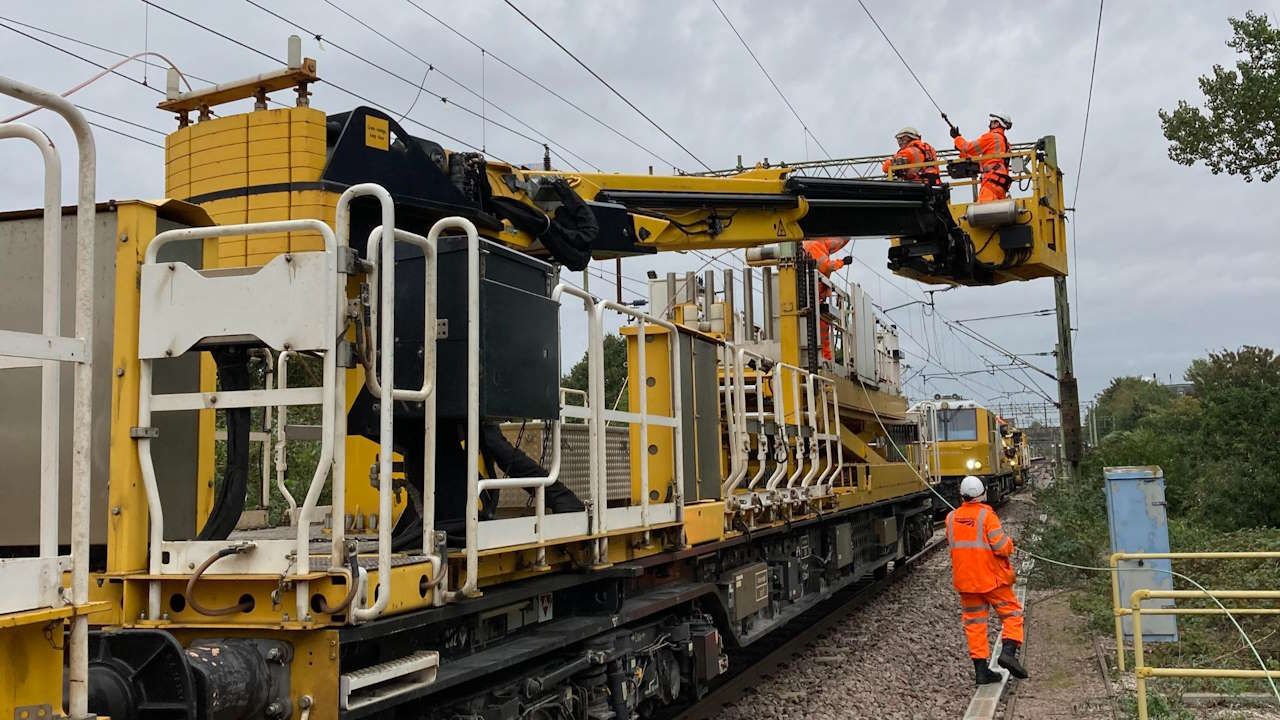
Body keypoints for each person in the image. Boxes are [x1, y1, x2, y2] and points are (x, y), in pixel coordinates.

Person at [945, 475, 1030, 684]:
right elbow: (1001, 546)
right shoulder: (987, 516)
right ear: (982, 493)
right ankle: (1008, 652)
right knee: (1012, 615)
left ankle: (981, 672)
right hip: (992, 580)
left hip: (967, 583)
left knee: (975, 625)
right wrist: (1010, 544)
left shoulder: (951, 518)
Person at [802, 237, 852, 362]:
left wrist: (850, 235)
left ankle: (824, 358)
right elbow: (827, 266)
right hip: (814, 297)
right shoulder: (816, 246)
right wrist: (843, 262)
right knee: (822, 330)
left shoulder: (813, 243)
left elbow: (838, 243)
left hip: (810, 295)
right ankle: (826, 359)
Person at [951, 113, 1013, 203]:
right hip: (1000, 186)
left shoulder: (991, 137)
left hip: (990, 184)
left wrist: (957, 138)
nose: (989, 124)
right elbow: (981, 162)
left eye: (992, 122)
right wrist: (962, 152)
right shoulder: (1005, 143)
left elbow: (968, 148)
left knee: (984, 214)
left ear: (997, 123)